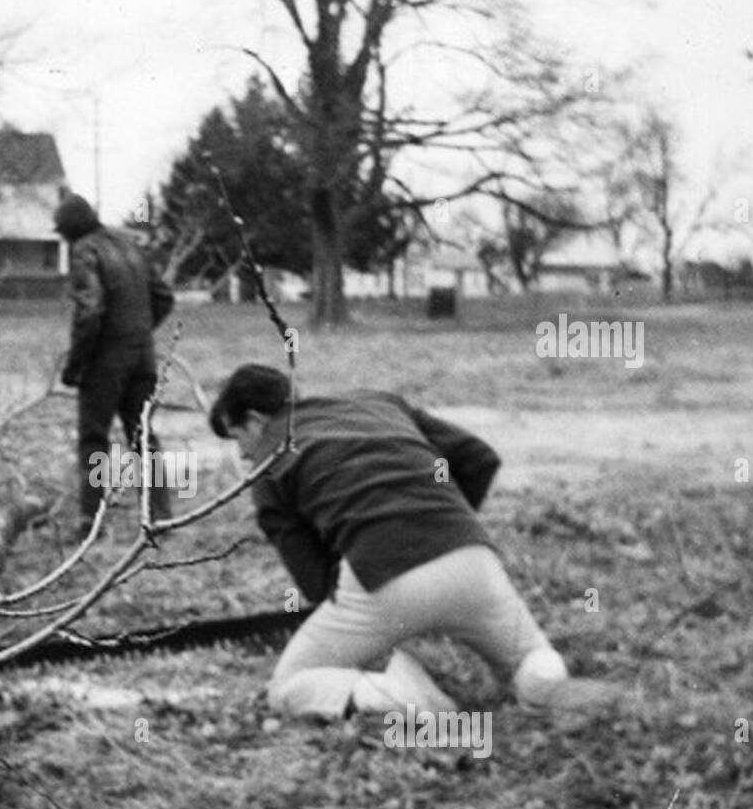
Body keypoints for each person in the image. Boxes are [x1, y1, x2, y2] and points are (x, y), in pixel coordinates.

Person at [208, 363, 620, 722]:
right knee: (529, 658)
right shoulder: (378, 402)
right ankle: (545, 686)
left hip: (384, 581)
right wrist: (436, 533)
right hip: (471, 559)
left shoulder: (269, 470)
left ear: (257, 421)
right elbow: (478, 458)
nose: (243, 455)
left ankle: (400, 695)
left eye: (236, 438)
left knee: (287, 687)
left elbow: (317, 587)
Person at [53, 192, 175, 534]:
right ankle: (161, 516)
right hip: (142, 357)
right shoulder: (130, 245)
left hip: (104, 363)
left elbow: (90, 311)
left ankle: (91, 521)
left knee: (94, 439)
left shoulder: (85, 251)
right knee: (143, 436)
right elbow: (164, 297)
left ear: (69, 230)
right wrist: (137, 332)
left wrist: (76, 365)